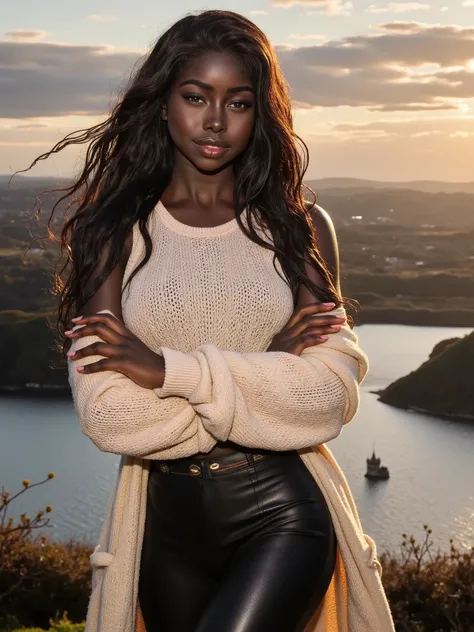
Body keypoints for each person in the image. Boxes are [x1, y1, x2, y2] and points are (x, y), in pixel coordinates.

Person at [20, 9, 394, 632]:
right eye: (196, 97)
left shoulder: (299, 230)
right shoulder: (109, 233)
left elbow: (327, 400)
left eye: (238, 102)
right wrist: (271, 367)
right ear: (163, 101)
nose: (215, 121)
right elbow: (110, 414)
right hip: (162, 529)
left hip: (282, 510)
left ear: (260, 112)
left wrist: (163, 369)